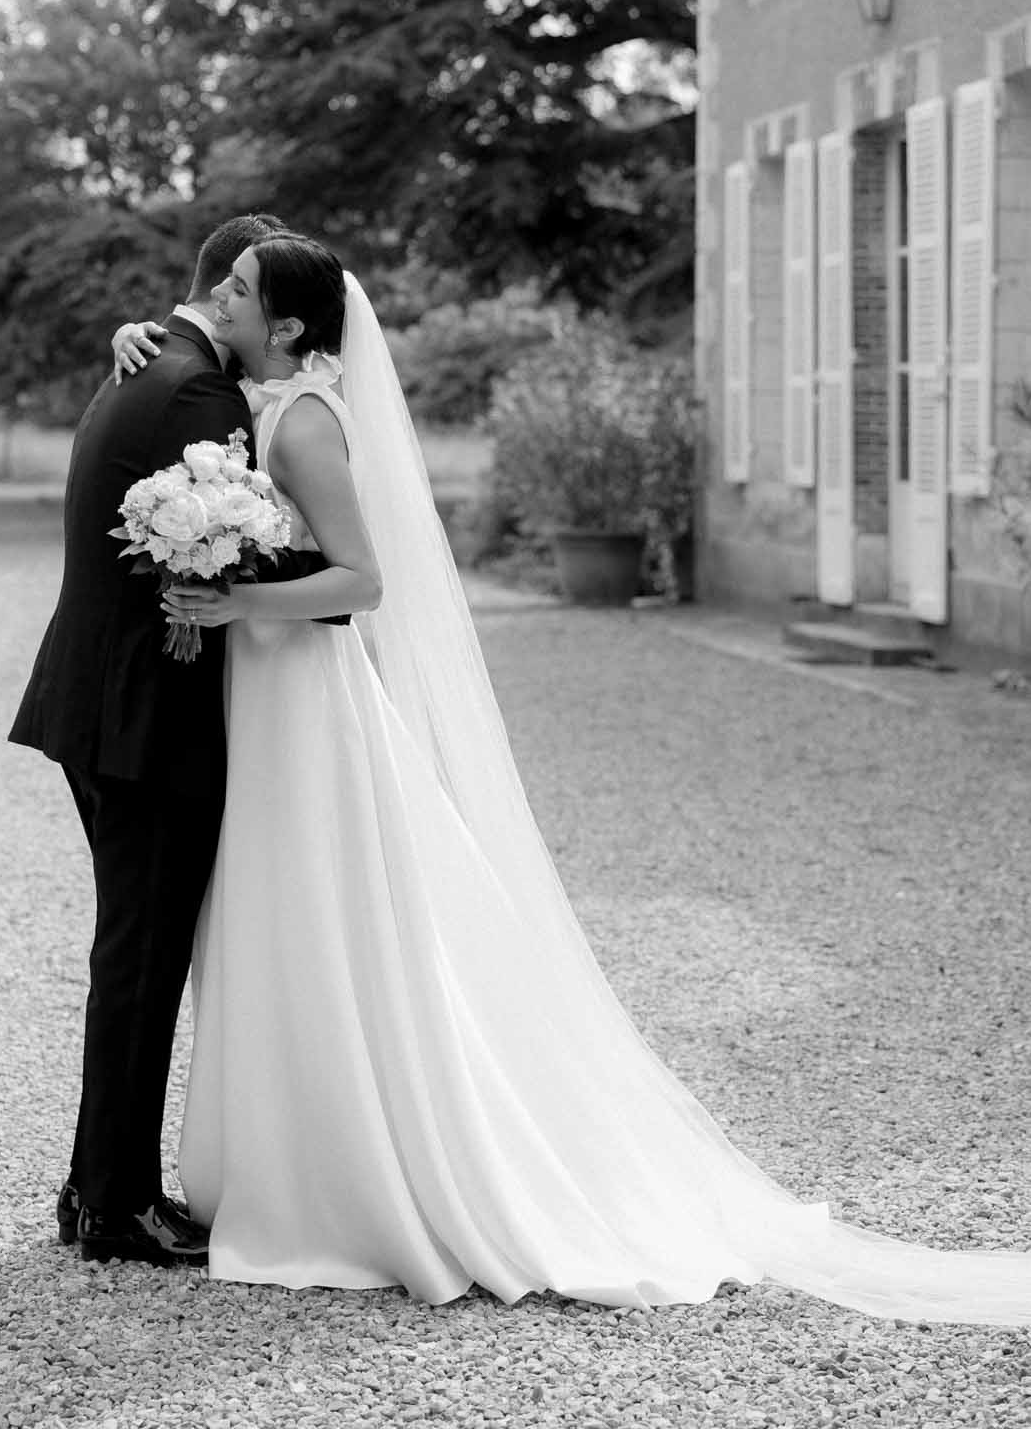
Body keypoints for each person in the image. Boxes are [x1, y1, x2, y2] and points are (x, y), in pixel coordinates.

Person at [110, 233, 1031, 1322]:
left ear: (296, 325)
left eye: (242, 290)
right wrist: (138, 348)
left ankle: (353, 1172)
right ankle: (289, 1151)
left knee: (319, 912)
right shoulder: (262, 399)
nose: (220, 298)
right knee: (282, 913)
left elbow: (363, 581)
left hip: (307, 696)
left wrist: (235, 601)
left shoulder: (305, 419)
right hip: (270, 697)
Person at [8, 212, 285, 1267]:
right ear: (225, 292)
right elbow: (245, 549)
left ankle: (98, 1186)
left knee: (134, 946)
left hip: (94, 697)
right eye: (255, 293)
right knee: (141, 952)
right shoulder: (197, 388)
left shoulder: (145, 363)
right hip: (142, 714)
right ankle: (113, 1202)